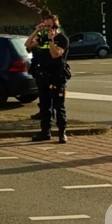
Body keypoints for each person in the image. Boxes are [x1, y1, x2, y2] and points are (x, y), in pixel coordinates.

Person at [28, 14, 70, 143]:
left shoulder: (63, 39)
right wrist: (36, 31)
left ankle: (62, 133)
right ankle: (45, 132)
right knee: (45, 106)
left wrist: (51, 40)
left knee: (59, 106)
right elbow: (28, 45)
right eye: (45, 26)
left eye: (49, 26)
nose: (47, 29)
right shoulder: (43, 37)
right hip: (44, 75)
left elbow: (55, 54)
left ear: (56, 26)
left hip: (57, 76)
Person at [26, 9, 56, 123]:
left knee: (45, 90)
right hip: (43, 62)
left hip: (42, 62)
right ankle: (46, 112)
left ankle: (46, 112)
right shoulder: (46, 31)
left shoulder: (44, 32)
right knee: (45, 90)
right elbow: (29, 45)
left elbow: (31, 45)